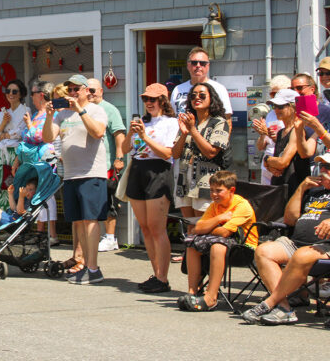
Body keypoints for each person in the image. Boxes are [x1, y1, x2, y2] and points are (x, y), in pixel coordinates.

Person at [241, 157, 330, 325]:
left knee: (301, 255)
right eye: (322, 166)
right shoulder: (314, 191)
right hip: (297, 243)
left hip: (324, 247)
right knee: (264, 250)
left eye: (328, 167)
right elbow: (290, 219)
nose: (323, 171)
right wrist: (302, 188)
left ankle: (270, 302)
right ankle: (284, 307)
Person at [43, 74, 108, 284]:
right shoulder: (62, 116)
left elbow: (98, 132)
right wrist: (49, 116)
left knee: (90, 220)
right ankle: (84, 265)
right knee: (78, 222)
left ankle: (93, 268)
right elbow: (47, 137)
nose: (72, 93)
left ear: (86, 91)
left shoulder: (97, 110)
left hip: (91, 173)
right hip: (70, 174)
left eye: (76, 89)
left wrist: (80, 110)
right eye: (69, 90)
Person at [121, 83, 178, 293]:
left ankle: (163, 277)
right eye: (146, 99)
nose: (149, 103)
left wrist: (145, 137)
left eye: (153, 100)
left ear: (163, 101)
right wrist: (131, 133)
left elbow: (167, 153)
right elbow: (126, 149)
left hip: (158, 171)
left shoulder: (171, 122)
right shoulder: (141, 122)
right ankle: (156, 274)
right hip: (138, 169)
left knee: (157, 227)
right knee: (144, 227)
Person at [178, 170, 257, 312]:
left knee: (217, 246)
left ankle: (211, 297)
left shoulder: (242, 206)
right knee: (192, 244)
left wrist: (207, 228)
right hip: (221, 241)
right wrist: (219, 219)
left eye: (218, 191)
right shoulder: (215, 205)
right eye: (212, 190)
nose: (214, 194)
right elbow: (198, 228)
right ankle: (193, 291)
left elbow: (225, 232)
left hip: (243, 246)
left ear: (231, 190)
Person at [171, 82, 230, 219]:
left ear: (211, 99)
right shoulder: (189, 121)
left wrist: (193, 130)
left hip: (206, 182)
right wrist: (185, 133)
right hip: (184, 181)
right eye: (193, 96)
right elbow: (175, 154)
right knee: (190, 227)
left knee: (202, 226)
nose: (197, 98)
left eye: (202, 95)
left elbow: (210, 153)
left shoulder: (219, 122)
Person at [13, 80, 59, 245]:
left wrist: (29, 125)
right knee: (38, 195)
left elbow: (39, 137)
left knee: (47, 196)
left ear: (40, 95)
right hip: (33, 162)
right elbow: (26, 139)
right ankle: (40, 232)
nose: (30, 97)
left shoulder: (49, 114)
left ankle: (51, 234)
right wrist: (17, 159)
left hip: (45, 160)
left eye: (32, 94)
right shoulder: (36, 114)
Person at [87, 78, 126, 252]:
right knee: (94, 202)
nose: (90, 94)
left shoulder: (109, 109)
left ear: (101, 91)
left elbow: (119, 135)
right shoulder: (85, 110)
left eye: (93, 90)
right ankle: (98, 235)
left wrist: (119, 158)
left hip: (107, 164)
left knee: (109, 200)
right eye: (87, 90)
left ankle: (110, 238)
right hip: (88, 165)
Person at [170, 47, 233, 131]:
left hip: (208, 140)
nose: (198, 66)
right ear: (188, 65)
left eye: (202, 63)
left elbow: (227, 120)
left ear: (208, 66)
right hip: (181, 139)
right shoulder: (178, 89)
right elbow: (172, 117)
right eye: (194, 63)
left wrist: (220, 142)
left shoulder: (219, 89)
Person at [262, 89, 309, 197]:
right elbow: (277, 164)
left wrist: (266, 159)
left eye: (281, 106)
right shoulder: (280, 132)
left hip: (294, 187)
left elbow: (283, 162)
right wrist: (270, 165)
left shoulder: (297, 130)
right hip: (281, 186)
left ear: (293, 107)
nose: (276, 110)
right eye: (274, 106)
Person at [0, 79, 28, 210]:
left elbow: (21, 133)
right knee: (2, 186)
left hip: (16, 154)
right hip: (2, 155)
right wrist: (3, 123)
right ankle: (2, 218)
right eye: (8, 91)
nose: (10, 94)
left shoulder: (25, 111)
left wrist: (4, 134)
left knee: (15, 185)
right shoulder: (3, 113)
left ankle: (17, 218)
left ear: (21, 94)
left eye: (14, 91)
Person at [252, 75, 291, 184]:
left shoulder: (291, 117)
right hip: (267, 164)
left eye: (276, 94)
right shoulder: (270, 114)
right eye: (271, 94)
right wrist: (262, 134)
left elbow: (284, 142)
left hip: (282, 164)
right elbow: (260, 147)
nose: (273, 97)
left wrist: (267, 134)